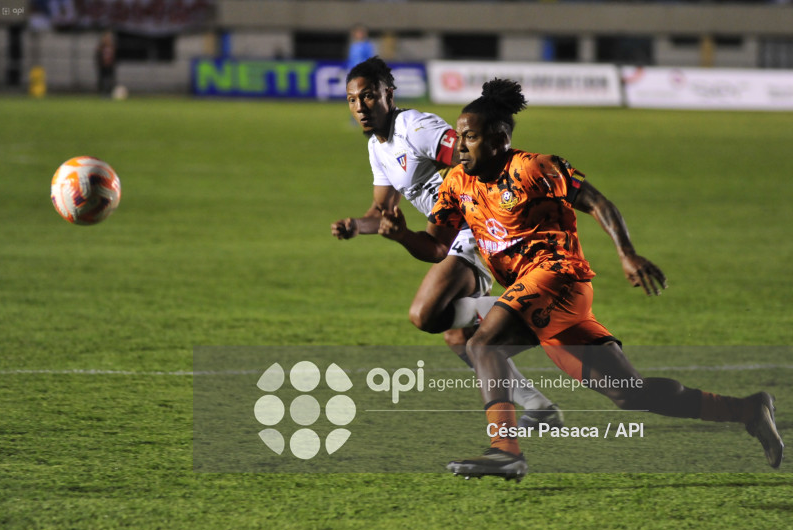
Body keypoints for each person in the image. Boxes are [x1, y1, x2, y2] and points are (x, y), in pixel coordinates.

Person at [378, 78, 784, 480]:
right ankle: (748, 409)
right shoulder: (457, 183)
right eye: (459, 136)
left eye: (469, 137)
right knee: (631, 394)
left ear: (500, 138)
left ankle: (505, 451)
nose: (460, 145)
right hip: (534, 297)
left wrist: (626, 254)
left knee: (483, 343)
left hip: (559, 279)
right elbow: (435, 247)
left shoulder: (534, 168)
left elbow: (597, 202)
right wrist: (401, 236)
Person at [331, 57, 563, 428]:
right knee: (457, 335)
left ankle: (538, 310)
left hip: (478, 227)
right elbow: (381, 209)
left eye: (370, 96)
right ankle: (540, 406)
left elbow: (471, 153)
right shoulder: (379, 146)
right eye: (352, 99)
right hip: (459, 233)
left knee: (425, 314)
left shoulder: (415, 127)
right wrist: (356, 226)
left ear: (389, 94)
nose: (361, 106)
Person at [96, 31, 117, 97]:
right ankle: (102, 93)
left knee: (110, 79)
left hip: (110, 66)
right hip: (103, 66)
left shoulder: (112, 47)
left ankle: (109, 92)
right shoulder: (101, 47)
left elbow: (114, 57)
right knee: (102, 79)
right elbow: (98, 56)